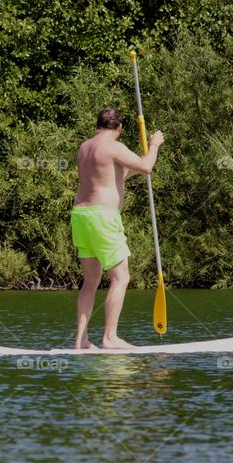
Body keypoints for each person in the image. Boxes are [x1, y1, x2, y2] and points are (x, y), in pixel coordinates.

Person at [71, 108, 164, 349]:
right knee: (121, 277)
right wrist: (154, 144)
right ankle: (110, 338)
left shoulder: (85, 147)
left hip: (81, 216)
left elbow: (112, 176)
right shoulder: (113, 146)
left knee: (90, 280)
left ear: (98, 125)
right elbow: (147, 167)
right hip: (103, 217)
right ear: (119, 128)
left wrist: (140, 161)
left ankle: (81, 340)